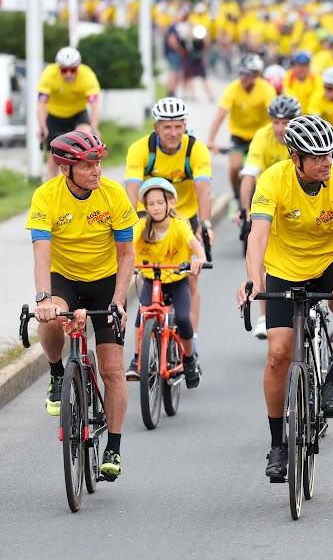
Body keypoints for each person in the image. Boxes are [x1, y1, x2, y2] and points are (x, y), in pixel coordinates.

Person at [236, 115, 333, 481]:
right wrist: (253, 280)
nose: (327, 162)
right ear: (295, 158)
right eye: (316, 157)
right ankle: (278, 444)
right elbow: (257, 235)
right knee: (278, 355)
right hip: (284, 266)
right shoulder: (273, 179)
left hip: (330, 262)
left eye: (329, 154)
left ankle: (332, 382)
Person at [26, 130, 136, 480]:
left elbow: (126, 254)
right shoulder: (47, 197)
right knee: (50, 319)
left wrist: (119, 301)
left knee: (113, 369)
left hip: (105, 283)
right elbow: (41, 253)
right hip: (65, 279)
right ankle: (58, 373)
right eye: (88, 165)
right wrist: (43, 299)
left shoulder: (113, 195)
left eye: (99, 163)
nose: (97, 170)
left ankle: (114, 449)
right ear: (65, 169)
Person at [124, 97, 213, 376]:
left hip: (185, 217)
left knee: (190, 280)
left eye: (178, 126)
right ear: (156, 127)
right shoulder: (140, 149)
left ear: (185, 126)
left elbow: (203, 189)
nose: (173, 132)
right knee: (148, 288)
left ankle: (191, 339)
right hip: (149, 215)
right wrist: (128, 229)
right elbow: (131, 188)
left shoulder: (195, 149)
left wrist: (206, 224)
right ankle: (143, 353)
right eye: (167, 127)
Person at [131, 178, 206, 388]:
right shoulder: (141, 227)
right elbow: (126, 246)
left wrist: (199, 258)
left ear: (170, 203)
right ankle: (138, 358)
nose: (155, 208)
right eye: (151, 204)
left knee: (182, 318)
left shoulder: (179, 226)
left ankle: (189, 360)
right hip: (151, 280)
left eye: (159, 203)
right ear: (146, 207)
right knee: (142, 317)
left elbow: (194, 245)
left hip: (176, 280)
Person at [238, 95, 301, 338]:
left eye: (286, 122)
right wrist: (245, 213)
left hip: (299, 201)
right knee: (264, 260)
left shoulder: (301, 137)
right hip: (269, 201)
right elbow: (249, 176)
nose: (280, 128)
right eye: (276, 122)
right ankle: (265, 316)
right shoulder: (262, 138)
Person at [207, 54, 277, 204]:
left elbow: (274, 114)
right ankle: (236, 197)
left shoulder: (266, 89)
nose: (243, 77)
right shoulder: (233, 88)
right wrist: (211, 139)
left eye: (247, 74)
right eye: (241, 73)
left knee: (263, 171)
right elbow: (220, 115)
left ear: (257, 75)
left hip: (260, 136)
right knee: (234, 167)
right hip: (238, 135)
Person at [37, 47, 101, 179]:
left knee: (86, 142)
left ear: (78, 67)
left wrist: (94, 127)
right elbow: (41, 104)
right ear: (58, 68)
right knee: (53, 159)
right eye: (64, 70)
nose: (68, 74)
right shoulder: (49, 74)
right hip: (55, 117)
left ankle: (88, 179)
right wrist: (42, 127)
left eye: (72, 70)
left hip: (78, 114)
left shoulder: (87, 75)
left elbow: (94, 104)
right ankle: (51, 192)